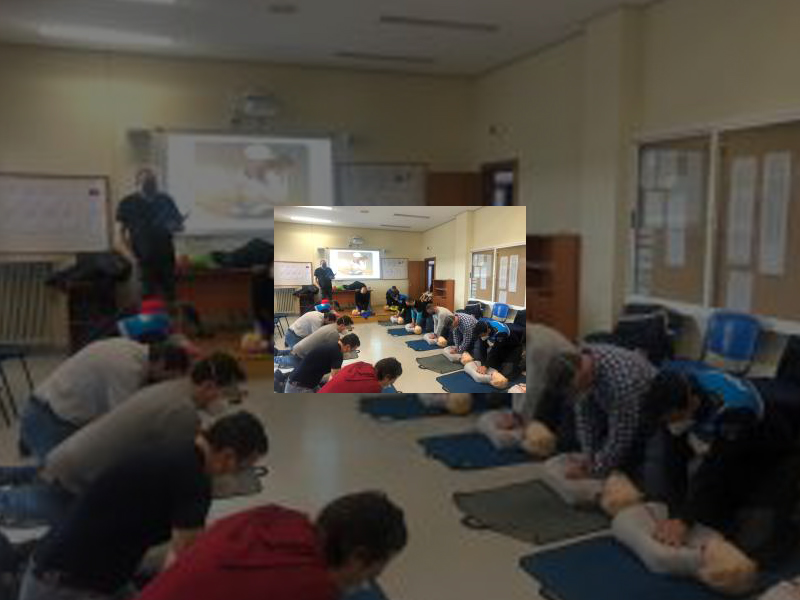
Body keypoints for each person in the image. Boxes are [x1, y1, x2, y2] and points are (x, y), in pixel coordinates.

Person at [18, 412, 269, 600]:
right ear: (227, 456)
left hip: (59, 567)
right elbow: (184, 565)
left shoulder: (178, 450)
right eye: (243, 467)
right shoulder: (193, 481)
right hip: (68, 588)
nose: (238, 474)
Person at [0, 353, 246, 527]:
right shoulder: (183, 412)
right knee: (20, 506)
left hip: (72, 457)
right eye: (227, 394)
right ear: (210, 386)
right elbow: (179, 471)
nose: (227, 402)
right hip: (77, 476)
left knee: (39, 486)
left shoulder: (174, 387)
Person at [638, 367, 800, 566]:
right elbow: (674, 461)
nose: (668, 422)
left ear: (691, 404)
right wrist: (676, 514)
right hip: (740, 449)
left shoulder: (736, 409)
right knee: (710, 519)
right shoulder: (674, 395)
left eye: (671, 417)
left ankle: (789, 528)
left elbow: (715, 470)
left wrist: (684, 520)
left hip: (780, 452)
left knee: (752, 549)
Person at [136, 491, 407, 600]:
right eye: (372, 575)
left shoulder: (275, 516)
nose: (364, 584)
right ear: (358, 558)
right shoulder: (311, 588)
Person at [16, 337, 190, 461]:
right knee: (56, 489)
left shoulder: (131, 348)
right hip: (49, 421)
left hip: (48, 410)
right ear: (160, 364)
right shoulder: (127, 370)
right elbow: (122, 426)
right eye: (167, 378)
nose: (164, 384)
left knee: (53, 478)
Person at [547, 344, 658, 479]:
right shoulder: (582, 363)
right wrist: (588, 458)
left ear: (581, 374)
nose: (574, 394)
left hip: (650, 412)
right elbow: (585, 419)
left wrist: (594, 470)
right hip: (614, 406)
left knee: (626, 470)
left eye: (574, 390)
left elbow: (621, 436)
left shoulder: (619, 383)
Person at [116, 168, 185, 303]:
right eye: (146, 181)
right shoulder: (127, 202)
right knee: (147, 299)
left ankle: (169, 323)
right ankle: (150, 323)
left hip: (167, 258)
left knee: (170, 297)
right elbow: (120, 234)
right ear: (137, 182)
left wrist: (175, 227)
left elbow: (179, 226)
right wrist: (132, 258)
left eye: (153, 181)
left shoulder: (166, 200)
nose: (150, 184)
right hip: (143, 261)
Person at [284, 334, 361, 393]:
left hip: (299, 381)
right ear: (347, 346)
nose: (350, 352)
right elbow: (335, 379)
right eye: (352, 350)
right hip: (299, 387)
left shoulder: (332, 345)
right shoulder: (337, 354)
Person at [274, 316, 353, 369]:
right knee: (291, 362)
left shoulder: (332, 326)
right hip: (302, 352)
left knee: (292, 354)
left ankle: (277, 353)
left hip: (300, 346)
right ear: (342, 325)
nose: (347, 330)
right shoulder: (334, 333)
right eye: (347, 327)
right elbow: (333, 350)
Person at [318, 358, 403, 394]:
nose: (389, 385)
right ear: (387, 377)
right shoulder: (374, 387)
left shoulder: (361, 364)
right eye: (392, 381)